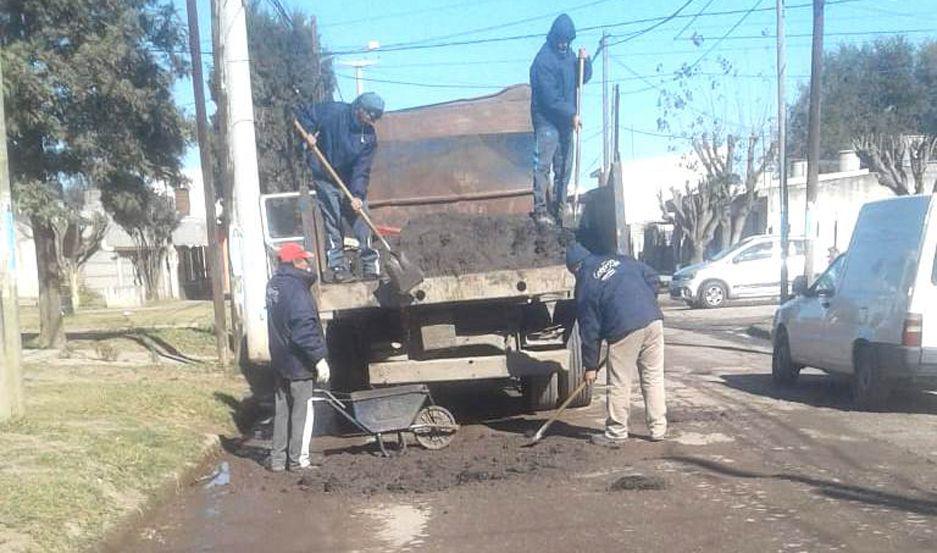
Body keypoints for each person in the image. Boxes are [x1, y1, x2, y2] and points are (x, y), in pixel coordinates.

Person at [565, 242, 667, 446]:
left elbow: (589, 329)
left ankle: (616, 431)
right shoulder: (621, 260)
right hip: (653, 321)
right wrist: (646, 302)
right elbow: (654, 278)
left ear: (575, 268)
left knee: (619, 382)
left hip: (624, 328)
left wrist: (590, 366)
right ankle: (658, 429)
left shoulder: (585, 284)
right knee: (653, 377)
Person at [296, 92, 385, 282]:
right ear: (361, 108)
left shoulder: (369, 138)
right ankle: (337, 266)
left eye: (376, 118)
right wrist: (309, 132)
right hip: (325, 174)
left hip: (348, 179)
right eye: (371, 115)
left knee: (362, 215)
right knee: (333, 218)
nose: (372, 121)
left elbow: (362, 169)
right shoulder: (335, 112)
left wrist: (358, 195)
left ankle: (370, 265)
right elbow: (303, 112)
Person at [265, 242, 330, 472]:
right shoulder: (296, 290)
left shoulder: (274, 285)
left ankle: (277, 460)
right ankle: (298, 461)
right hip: (298, 362)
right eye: (304, 260)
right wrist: (319, 358)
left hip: (280, 360)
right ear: (294, 263)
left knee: (282, 411)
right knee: (302, 411)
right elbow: (304, 328)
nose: (308, 263)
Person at [529, 14, 592, 226]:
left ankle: (561, 210)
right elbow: (549, 99)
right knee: (544, 165)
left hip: (566, 120)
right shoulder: (543, 61)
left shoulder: (570, 56)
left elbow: (581, 77)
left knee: (564, 166)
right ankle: (540, 211)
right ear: (555, 37)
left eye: (568, 41)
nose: (564, 44)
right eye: (561, 40)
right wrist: (571, 114)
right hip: (547, 120)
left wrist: (585, 61)